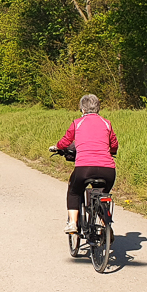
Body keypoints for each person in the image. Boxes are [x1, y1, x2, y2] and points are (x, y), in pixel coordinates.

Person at [55, 94, 118, 233]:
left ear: (82, 109)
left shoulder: (78, 123)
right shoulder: (106, 123)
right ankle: (105, 226)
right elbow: (114, 143)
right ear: (98, 108)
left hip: (84, 168)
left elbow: (65, 141)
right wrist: (112, 151)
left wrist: (57, 147)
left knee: (74, 190)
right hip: (108, 170)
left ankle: (72, 223)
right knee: (102, 194)